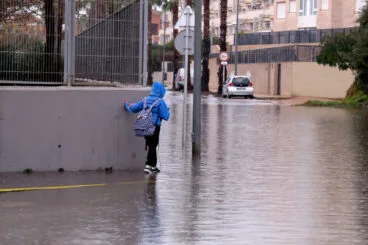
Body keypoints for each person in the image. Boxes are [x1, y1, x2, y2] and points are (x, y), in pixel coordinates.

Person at [124, 81, 170, 174]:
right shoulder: (160, 102)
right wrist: (167, 110)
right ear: (161, 91)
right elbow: (165, 116)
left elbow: (134, 108)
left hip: (144, 126)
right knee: (153, 145)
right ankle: (149, 166)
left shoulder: (145, 99)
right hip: (154, 127)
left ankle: (153, 166)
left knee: (151, 145)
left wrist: (127, 105)